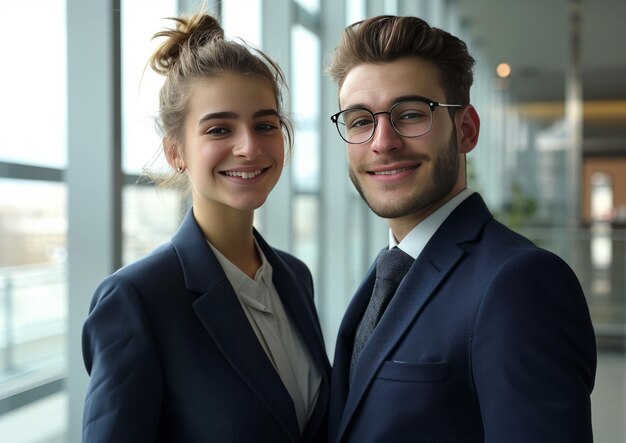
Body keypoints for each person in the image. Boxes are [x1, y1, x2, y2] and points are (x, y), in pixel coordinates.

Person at [325, 15, 596, 442]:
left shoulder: (519, 282)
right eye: (360, 121)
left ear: (465, 130)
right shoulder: (386, 275)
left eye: (411, 114)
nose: (382, 142)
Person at [82, 12, 330, 442]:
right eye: (220, 128)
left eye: (265, 125)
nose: (249, 147)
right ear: (176, 151)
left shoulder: (294, 277)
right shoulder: (138, 299)